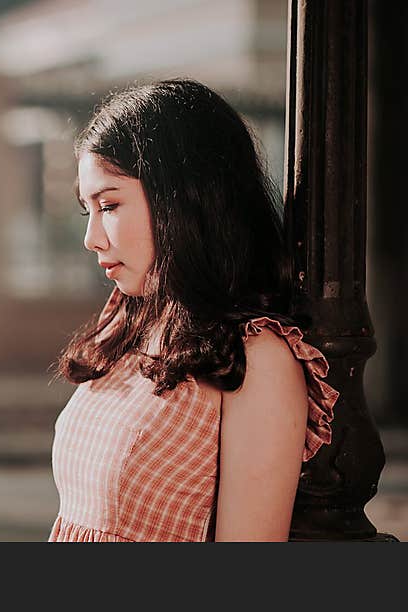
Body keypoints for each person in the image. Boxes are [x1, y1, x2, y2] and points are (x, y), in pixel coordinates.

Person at [48, 79, 339, 542]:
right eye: (88, 210)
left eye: (109, 205)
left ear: (183, 198)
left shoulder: (255, 357)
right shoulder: (130, 321)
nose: (92, 239)